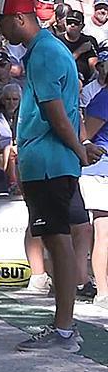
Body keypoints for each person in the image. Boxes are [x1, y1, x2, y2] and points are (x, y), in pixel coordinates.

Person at [0, 0, 100, 352]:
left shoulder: (44, 54)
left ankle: (64, 329)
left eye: (1, 22)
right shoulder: (50, 51)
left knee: (58, 243)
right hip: (52, 162)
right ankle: (64, 326)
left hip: (48, 164)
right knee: (59, 241)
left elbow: (54, 111)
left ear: (19, 18)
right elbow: (69, 109)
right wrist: (81, 145)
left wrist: (79, 149)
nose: (0, 31)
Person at [79, 87, 108, 309]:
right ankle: (103, 292)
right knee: (104, 232)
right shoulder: (105, 97)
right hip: (100, 171)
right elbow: (85, 135)